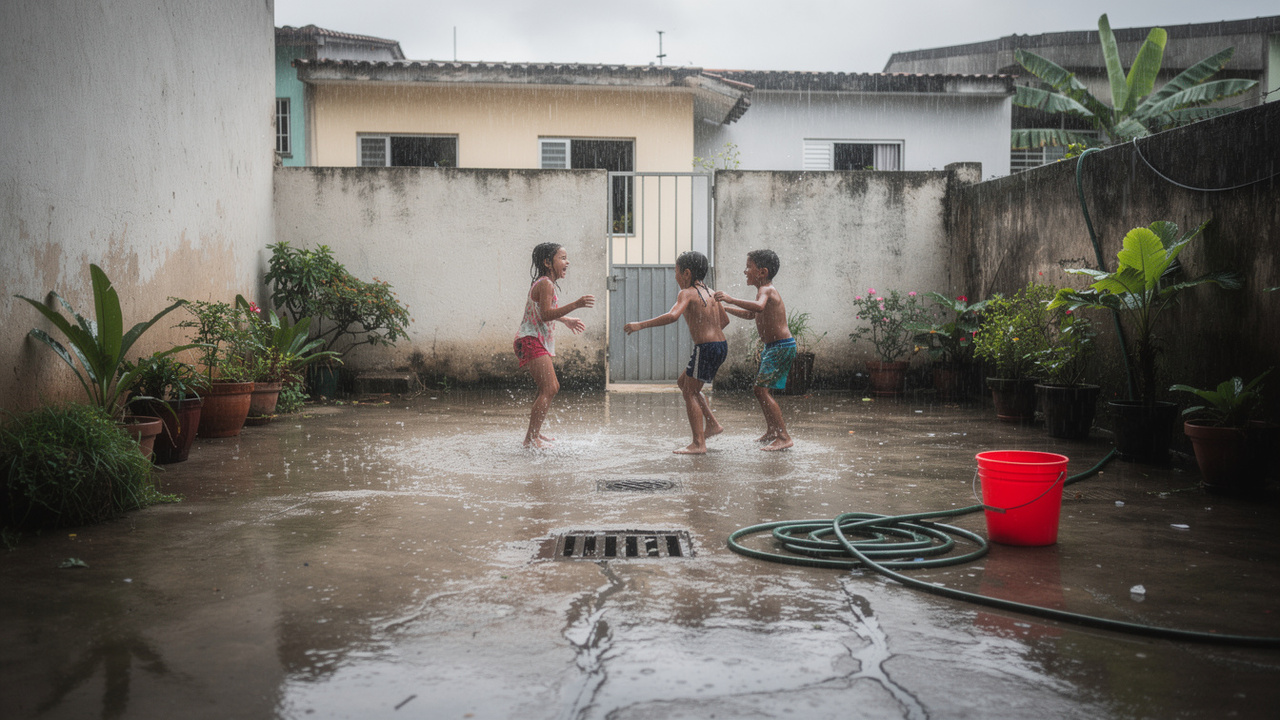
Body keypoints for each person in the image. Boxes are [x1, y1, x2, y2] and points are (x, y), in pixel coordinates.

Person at [624, 251, 730, 454]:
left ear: (686, 273)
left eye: (676, 271)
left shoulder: (687, 293)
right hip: (720, 346)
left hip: (706, 348)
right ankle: (712, 424)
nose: (675, 276)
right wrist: (709, 332)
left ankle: (698, 443)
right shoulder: (711, 292)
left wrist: (640, 325)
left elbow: (673, 316)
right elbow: (724, 321)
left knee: (690, 391)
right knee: (684, 383)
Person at [515, 242, 594, 448]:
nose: (567, 262)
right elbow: (545, 314)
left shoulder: (545, 283)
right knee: (551, 387)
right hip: (530, 340)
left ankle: (534, 434)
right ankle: (530, 439)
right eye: (563, 258)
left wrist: (565, 320)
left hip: (533, 339)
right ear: (548, 262)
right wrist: (576, 304)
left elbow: (543, 310)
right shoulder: (546, 284)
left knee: (545, 388)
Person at [715, 249, 795, 451]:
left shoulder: (766, 290)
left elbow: (758, 307)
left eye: (748, 267)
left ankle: (784, 437)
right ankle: (772, 431)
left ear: (762, 272)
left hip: (780, 347)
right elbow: (752, 314)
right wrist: (726, 309)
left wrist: (730, 299)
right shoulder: (763, 291)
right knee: (761, 390)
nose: (745, 272)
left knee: (761, 390)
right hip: (774, 347)